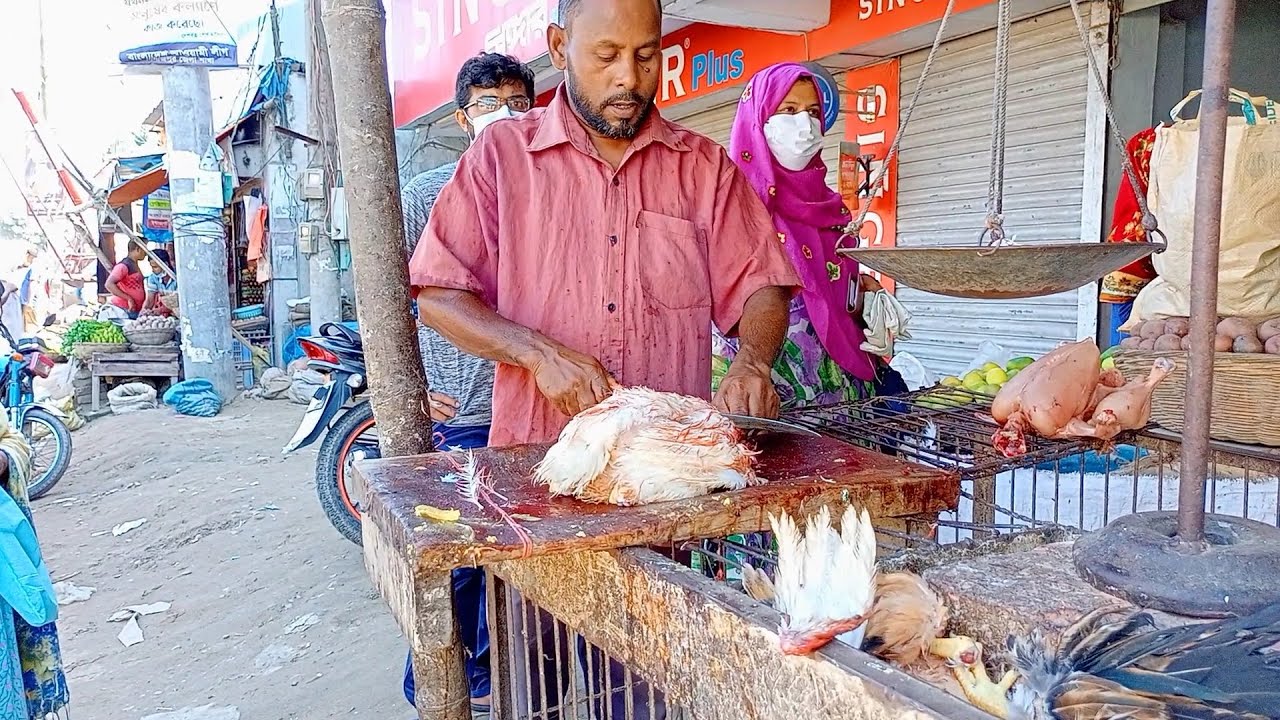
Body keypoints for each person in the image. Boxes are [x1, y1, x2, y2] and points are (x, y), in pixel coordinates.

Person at [410, 0, 801, 715]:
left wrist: (752, 361)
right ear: (559, 46)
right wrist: (533, 352)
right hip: (535, 490)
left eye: (647, 55)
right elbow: (438, 294)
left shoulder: (702, 168)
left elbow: (762, 287)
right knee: (538, 690)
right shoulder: (500, 159)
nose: (630, 76)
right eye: (607, 55)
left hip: (662, 493)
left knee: (646, 694)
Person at [398, 52, 536, 715]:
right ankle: (437, 687)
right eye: (488, 103)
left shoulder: (549, 189)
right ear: (462, 117)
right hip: (464, 408)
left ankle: (497, 683)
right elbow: (397, 296)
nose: (504, 114)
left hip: (534, 409)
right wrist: (411, 386)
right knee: (456, 555)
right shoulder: (430, 193)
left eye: (517, 100)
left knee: (517, 560)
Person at [713, 62, 908, 408]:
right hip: (764, 398)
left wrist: (866, 297)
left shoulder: (829, 208)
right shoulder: (729, 208)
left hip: (841, 395)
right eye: (788, 110)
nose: (804, 124)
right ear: (757, 119)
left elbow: (833, 285)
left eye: (813, 112)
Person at [100, 242, 147, 321]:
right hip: (124, 309)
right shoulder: (123, 266)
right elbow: (109, 284)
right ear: (138, 249)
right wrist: (129, 299)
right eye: (144, 250)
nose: (146, 254)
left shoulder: (134, 265)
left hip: (134, 309)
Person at [141, 248, 179, 316]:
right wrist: (143, 313)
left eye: (155, 267)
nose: (153, 270)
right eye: (152, 267)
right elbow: (149, 300)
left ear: (165, 264)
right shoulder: (153, 278)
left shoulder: (178, 277)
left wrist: (160, 310)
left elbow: (179, 301)